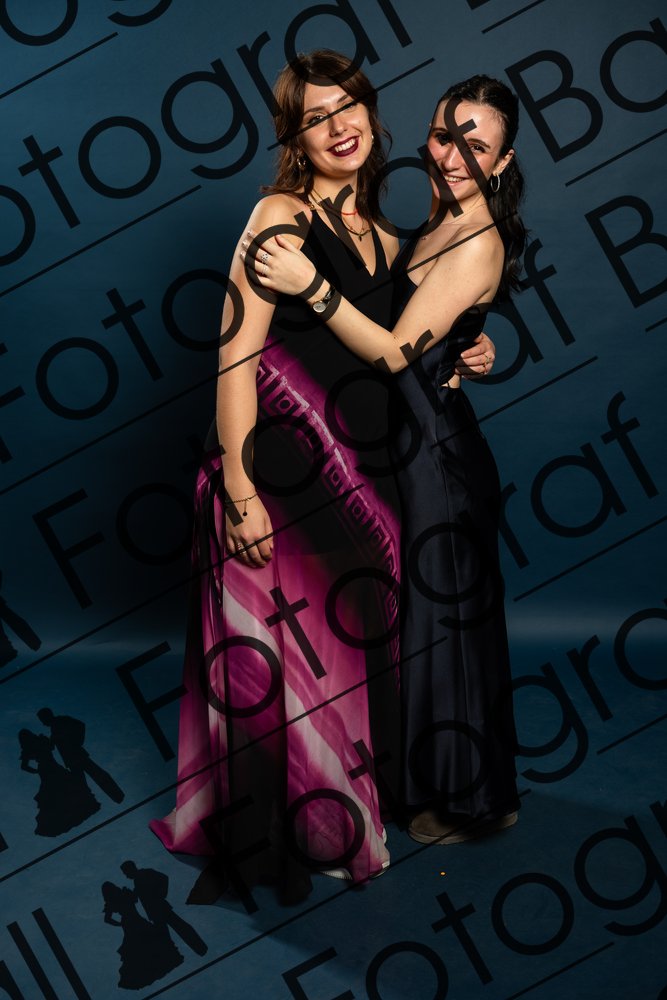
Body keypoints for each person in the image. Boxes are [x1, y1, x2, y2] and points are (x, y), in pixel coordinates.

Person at [246, 74, 524, 846]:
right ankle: (427, 784)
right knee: (421, 624)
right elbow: (419, 318)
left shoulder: (477, 239)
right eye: (443, 134)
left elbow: (395, 352)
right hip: (403, 446)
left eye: (476, 144)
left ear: (501, 162)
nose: (453, 154)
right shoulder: (432, 223)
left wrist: (309, 285)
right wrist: (476, 344)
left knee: (446, 626)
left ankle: (468, 799)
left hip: (439, 459)